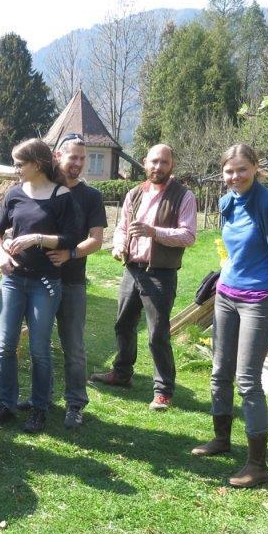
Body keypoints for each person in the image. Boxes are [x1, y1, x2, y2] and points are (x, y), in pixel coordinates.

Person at [192, 144, 268, 488]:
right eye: (229, 171)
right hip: (226, 296)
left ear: (255, 167)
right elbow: (233, 249)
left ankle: (257, 464)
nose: (235, 176)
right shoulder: (227, 203)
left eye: (242, 169)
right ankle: (221, 439)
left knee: (247, 380)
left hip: (260, 301)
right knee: (219, 372)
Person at [0, 139, 78, 434]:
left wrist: (37, 239)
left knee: (39, 349)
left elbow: (71, 238)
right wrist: (1, 254)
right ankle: (6, 404)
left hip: (44, 283)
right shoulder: (14, 193)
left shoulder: (62, 196)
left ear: (37, 164)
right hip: (13, 279)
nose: (16, 169)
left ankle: (39, 408)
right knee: (5, 346)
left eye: (20, 164)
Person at [91, 144, 197, 410]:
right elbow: (122, 228)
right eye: (153, 162)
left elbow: (188, 236)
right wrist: (118, 246)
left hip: (161, 273)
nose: (158, 167)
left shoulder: (183, 196)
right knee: (123, 324)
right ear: (144, 162)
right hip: (132, 269)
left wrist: (154, 232)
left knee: (157, 333)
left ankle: (163, 391)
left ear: (172, 165)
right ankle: (122, 373)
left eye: (164, 162)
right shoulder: (135, 193)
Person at [41, 133, 108, 429]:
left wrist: (69, 254)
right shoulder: (43, 189)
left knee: (74, 347)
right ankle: (41, 397)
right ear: (58, 156)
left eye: (83, 158)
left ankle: (75, 403)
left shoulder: (91, 196)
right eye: (74, 157)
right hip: (39, 280)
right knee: (40, 344)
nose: (79, 163)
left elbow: (97, 240)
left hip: (72, 282)